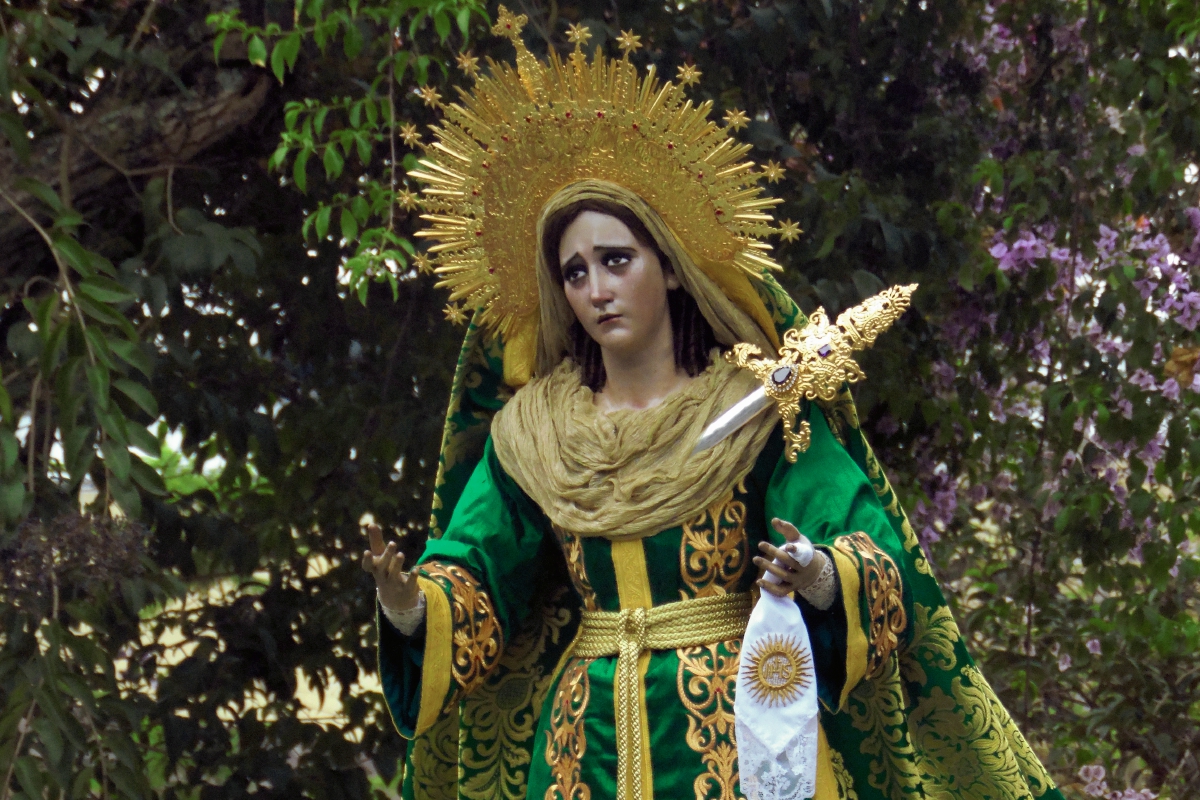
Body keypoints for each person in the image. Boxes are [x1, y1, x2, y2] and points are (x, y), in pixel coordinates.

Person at [363, 10, 1064, 800]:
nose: (595, 289)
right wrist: (413, 605)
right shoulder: (534, 434)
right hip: (582, 744)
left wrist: (822, 575)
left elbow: (865, 540)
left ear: (666, 266)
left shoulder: (759, 407)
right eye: (573, 272)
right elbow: (482, 569)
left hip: (744, 727)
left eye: (615, 260)